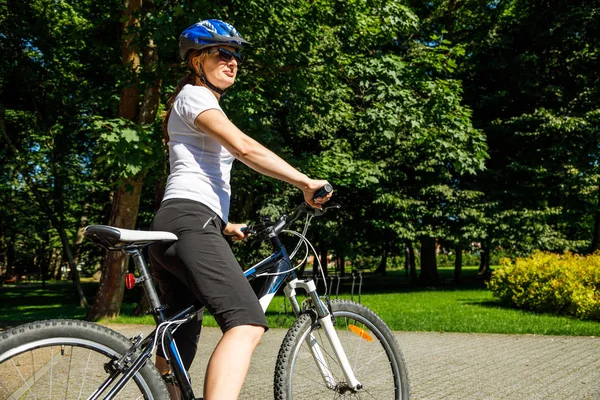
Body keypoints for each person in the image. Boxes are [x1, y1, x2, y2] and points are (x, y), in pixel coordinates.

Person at [149, 19, 332, 400]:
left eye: (236, 56)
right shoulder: (196, 97)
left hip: (180, 223)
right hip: (189, 222)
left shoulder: (193, 101)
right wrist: (305, 182)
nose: (233, 62)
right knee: (247, 323)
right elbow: (243, 147)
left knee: (180, 337)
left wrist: (224, 224)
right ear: (197, 61)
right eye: (222, 53)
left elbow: (194, 174)